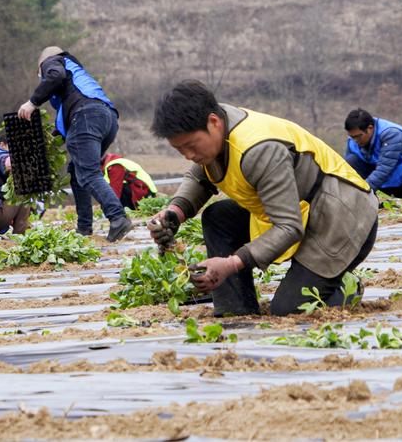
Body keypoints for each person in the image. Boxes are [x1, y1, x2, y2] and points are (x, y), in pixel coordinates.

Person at [149, 80, 378, 317]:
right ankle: (234, 309)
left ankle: (345, 286)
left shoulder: (258, 149)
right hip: (301, 209)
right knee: (218, 217)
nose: (188, 155)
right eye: (180, 150)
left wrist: (231, 263)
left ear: (214, 123)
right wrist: (175, 212)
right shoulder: (215, 125)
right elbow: (200, 176)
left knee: (288, 310)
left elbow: (289, 227)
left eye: (191, 146)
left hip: (342, 218)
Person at [17, 46, 132, 241]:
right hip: (107, 120)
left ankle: (118, 217)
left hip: (87, 117)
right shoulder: (78, 78)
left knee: (88, 173)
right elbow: (69, 125)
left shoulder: (53, 62)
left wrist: (32, 102)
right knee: (77, 172)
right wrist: (50, 143)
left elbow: (55, 77)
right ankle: (84, 227)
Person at [344, 108, 402, 206]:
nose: (355, 140)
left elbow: (384, 169)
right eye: (352, 137)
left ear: (370, 128)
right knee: (351, 161)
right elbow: (347, 172)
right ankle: (370, 204)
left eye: (358, 136)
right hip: (390, 185)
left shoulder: (391, 133)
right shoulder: (353, 140)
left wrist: (363, 191)